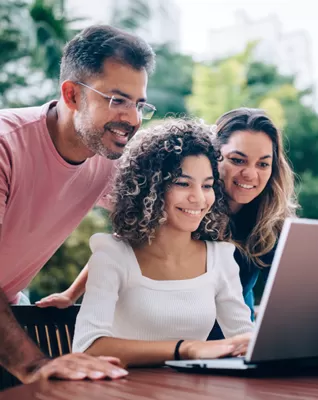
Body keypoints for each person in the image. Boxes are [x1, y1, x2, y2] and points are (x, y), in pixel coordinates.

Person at [0, 24, 156, 383]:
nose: (132, 119)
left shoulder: (108, 159)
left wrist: (75, 292)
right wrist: (34, 365)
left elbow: (138, 234)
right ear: (71, 95)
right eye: (117, 100)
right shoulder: (7, 146)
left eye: (139, 104)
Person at [72, 119, 253, 367]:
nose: (199, 198)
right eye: (182, 183)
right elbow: (88, 348)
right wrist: (186, 349)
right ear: (151, 188)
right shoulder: (113, 255)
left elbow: (244, 339)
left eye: (207, 186)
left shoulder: (220, 258)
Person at [208, 107, 298, 340]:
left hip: (240, 343)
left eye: (263, 164)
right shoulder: (186, 213)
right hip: (186, 346)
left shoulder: (271, 220)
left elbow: (297, 300)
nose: (250, 174)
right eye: (237, 160)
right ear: (212, 156)